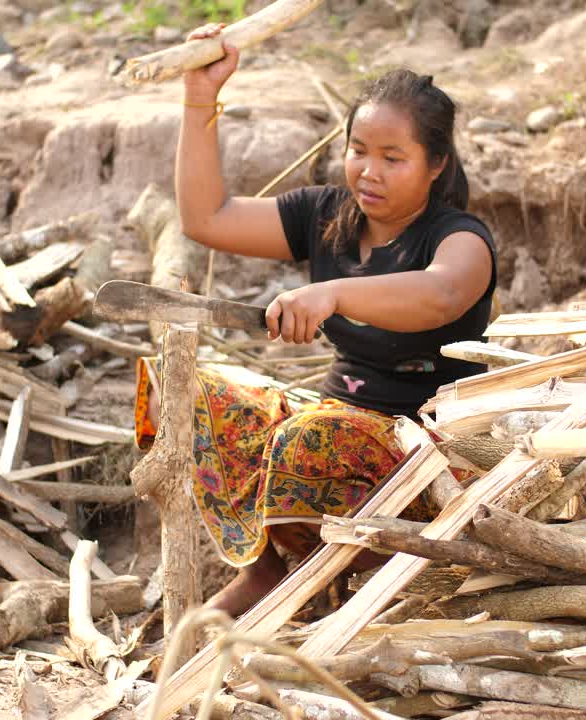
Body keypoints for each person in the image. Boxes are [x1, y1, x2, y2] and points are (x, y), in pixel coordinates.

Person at [133, 24, 497, 616]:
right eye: (359, 151)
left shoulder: (460, 239)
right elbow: (207, 218)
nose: (369, 172)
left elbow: (441, 293)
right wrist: (200, 97)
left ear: (436, 165)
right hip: (328, 420)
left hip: (417, 451)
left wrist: (333, 295)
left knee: (308, 439)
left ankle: (341, 572)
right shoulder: (326, 214)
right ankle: (269, 568)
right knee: (176, 393)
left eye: (393, 158)